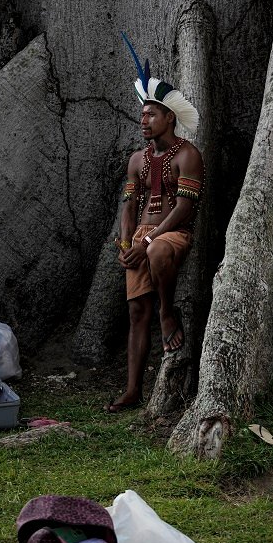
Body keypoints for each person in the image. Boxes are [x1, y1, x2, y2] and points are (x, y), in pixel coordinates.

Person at [104, 35, 204, 414]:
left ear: (169, 118)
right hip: (142, 236)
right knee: (134, 313)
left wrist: (152, 240)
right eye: (142, 114)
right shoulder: (136, 159)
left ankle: (168, 312)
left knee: (159, 250)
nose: (143, 120)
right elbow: (128, 207)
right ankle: (132, 390)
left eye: (151, 115)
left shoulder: (188, 155)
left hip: (171, 234)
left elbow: (184, 208)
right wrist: (126, 245)